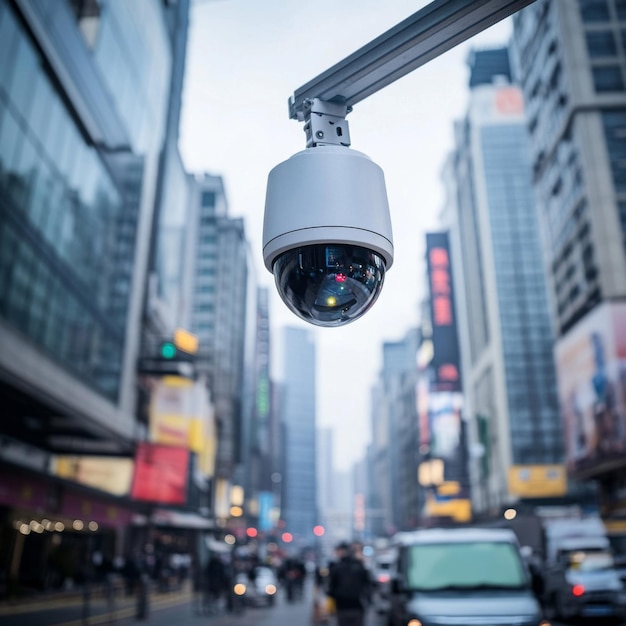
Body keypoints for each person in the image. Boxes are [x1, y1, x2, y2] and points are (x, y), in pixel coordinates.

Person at [327, 542, 371, 626]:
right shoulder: (360, 567)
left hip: (342, 606)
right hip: (358, 605)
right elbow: (367, 586)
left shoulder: (336, 567)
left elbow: (331, 588)